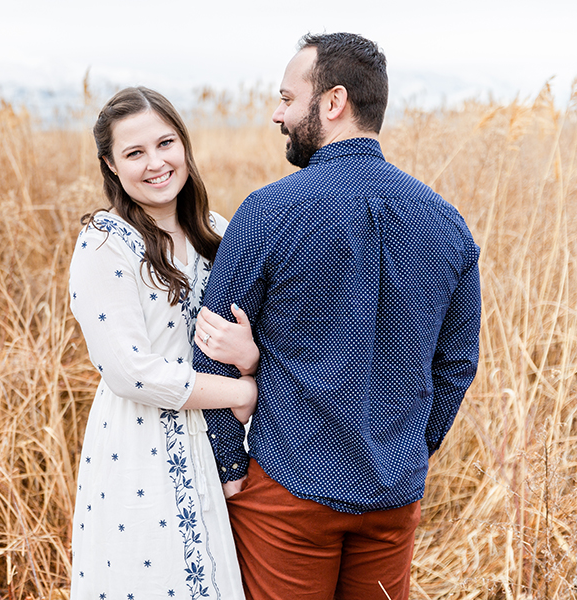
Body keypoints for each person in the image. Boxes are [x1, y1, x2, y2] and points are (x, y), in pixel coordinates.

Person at [193, 32, 482, 600]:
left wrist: (231, 469)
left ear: (333, 102)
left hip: (287, 492)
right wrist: (410, 454)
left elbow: (212, 349)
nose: (277, 114)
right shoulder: (447, 223)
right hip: (394, 495)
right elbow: (457, 365)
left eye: (286, 98)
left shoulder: (268, 212)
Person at [68, 86, 260, 600]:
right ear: (110, 166)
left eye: (165, 143)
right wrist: (242, 394)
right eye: (134, 153)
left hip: (224, 447)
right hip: (140, 444)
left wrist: (250, 356)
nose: (155, 163)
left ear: (184, 146)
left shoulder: (219, 230)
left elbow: (264, 333)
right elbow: (131, 372)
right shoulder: (105, 243)